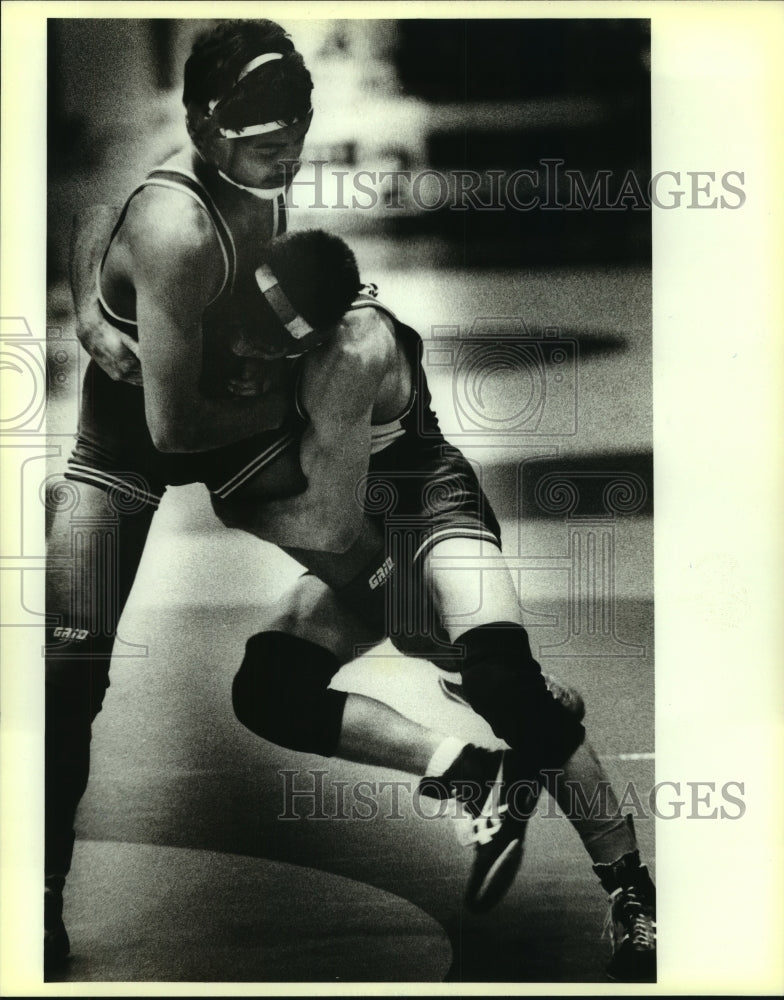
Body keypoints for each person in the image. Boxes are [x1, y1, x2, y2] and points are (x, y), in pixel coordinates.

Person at [70, 234, 657, 981]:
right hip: (354, 530)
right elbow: (103, 218)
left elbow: (327, 527)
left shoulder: (348, 356)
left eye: (272, 349)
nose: (249, 357)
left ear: (318, 335)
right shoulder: (210, 263)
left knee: (505, 685)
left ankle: (631, 894)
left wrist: (228, 493)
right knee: (269, 690)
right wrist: (92, 314)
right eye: (245, 334)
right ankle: (472, 770)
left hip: (424, 507)